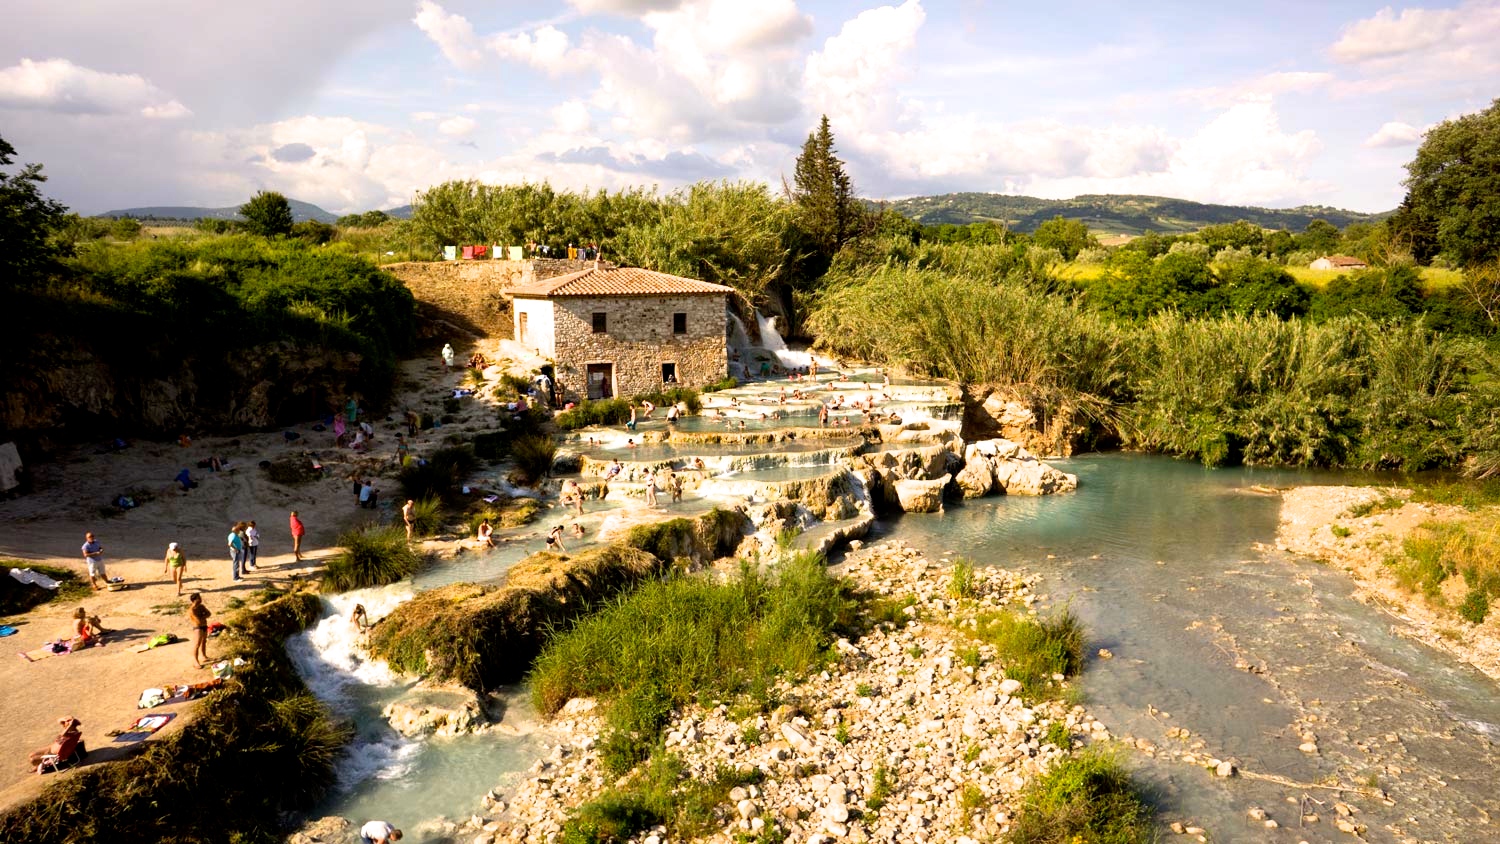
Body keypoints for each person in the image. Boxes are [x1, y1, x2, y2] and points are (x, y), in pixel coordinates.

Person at [188, 593, 211, 667]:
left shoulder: (201, 606)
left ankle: (204, 656)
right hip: (197, 628)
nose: (201, 599)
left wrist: (202, 616)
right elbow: (198, 621)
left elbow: (209, 613)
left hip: (204, 626)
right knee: (197, 644)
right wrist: (203, 616)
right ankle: (195, 661)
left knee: (204, 642)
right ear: (194, 600)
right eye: (199, 598)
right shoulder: (192, 610)